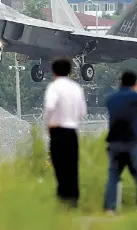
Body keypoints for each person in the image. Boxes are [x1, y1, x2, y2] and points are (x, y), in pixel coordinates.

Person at [104, 70, 137, 215]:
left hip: (115, 144)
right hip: (132, 143)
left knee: (113, 177)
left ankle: (110, 208)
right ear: (135, 83)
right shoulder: (135, 96)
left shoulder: (111, 98)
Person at [43, 58, 87, 208]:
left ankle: (62, 199)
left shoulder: (53, 87)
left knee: (59, 166)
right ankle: (73, 200)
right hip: (72, 132)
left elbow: (49, 107)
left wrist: (48, 126)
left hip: (57, 132)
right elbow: (82, 112)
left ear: (54, 72)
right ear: (70, 71)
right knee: (72, 166)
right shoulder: (76, 88)